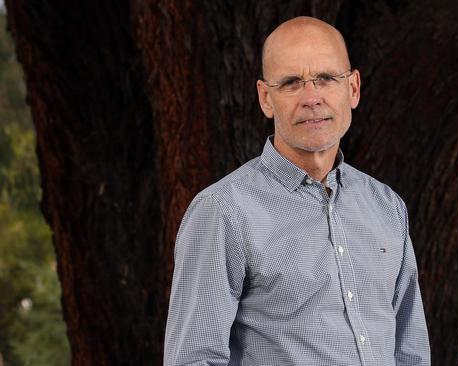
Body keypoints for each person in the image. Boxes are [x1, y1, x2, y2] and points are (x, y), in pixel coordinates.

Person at [164, 16, 431, 366]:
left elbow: (410, 352)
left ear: (353, 88)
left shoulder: (386, 205)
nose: (311, 98)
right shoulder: (223, 212)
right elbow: (193, 359)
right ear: (265, 98)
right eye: (291, 83)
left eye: (325, 79)